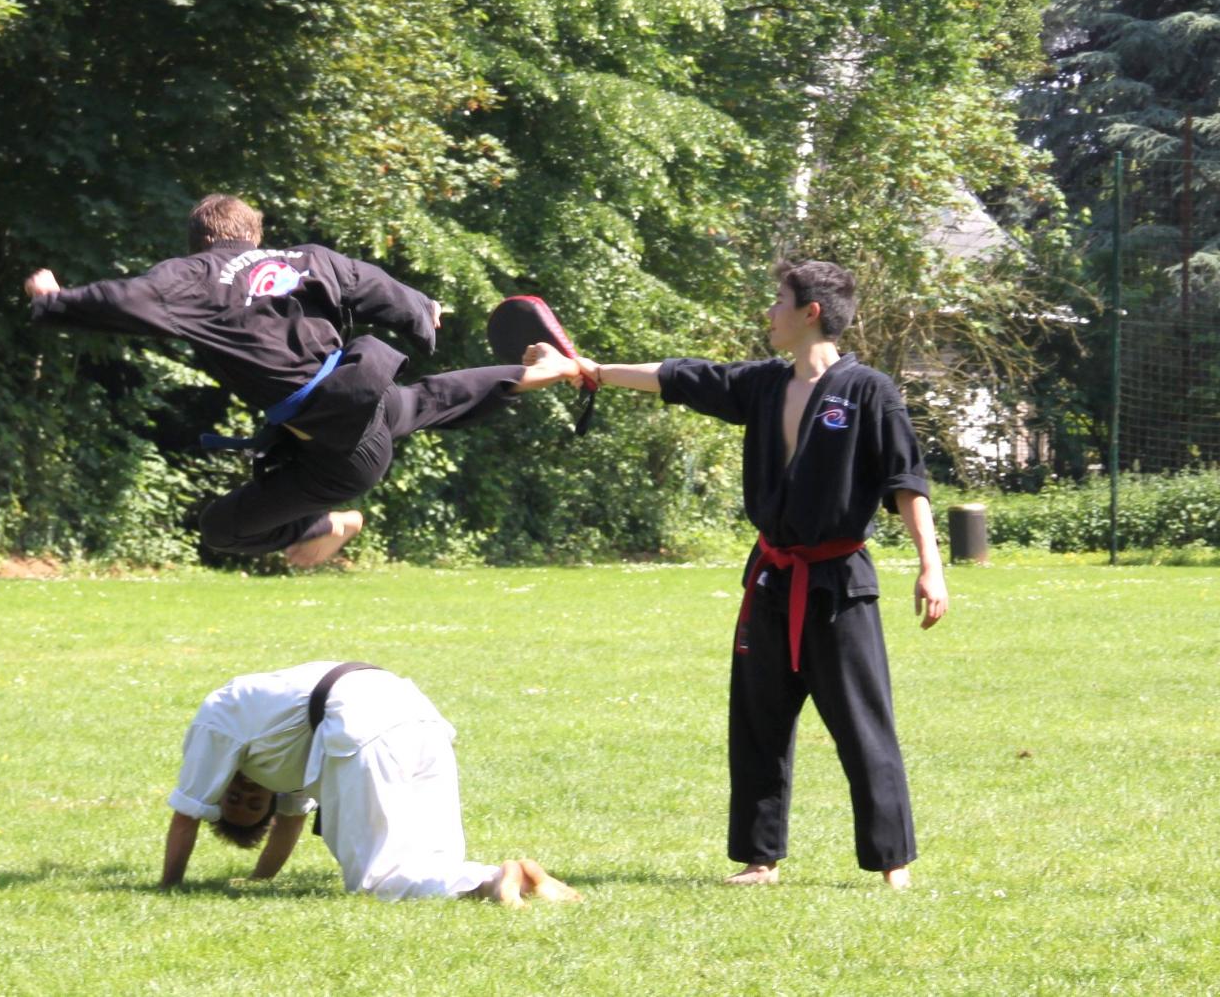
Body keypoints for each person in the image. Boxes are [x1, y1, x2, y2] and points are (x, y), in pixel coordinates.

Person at [530, 260, 948, 889]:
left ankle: (892, 863)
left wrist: (930, 567)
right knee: (757, 721)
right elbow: (678, 378)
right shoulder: (763, 385)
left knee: (863, 724)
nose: (770, 313)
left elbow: (905, 482)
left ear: (811, 312)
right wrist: (587, 369)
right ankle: (761, 859)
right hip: (772, 580)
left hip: (839, 584)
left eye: (779, 301)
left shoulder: (868, 391)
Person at [24, 194, 579, 566]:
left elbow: (123, 298)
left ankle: (326, 527)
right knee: (417, 402)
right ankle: (535, 374)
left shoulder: (192, 276)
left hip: (338, 449)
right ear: (257, 235)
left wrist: (54, 301)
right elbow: (376, 285)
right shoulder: (308, 258)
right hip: (363, 393)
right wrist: (420, 311)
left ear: (199, 241)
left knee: (221, 529)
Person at [158, 660, 581, 906]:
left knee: (375, 880)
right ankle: (520, 881)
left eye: (234, 796)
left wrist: (168, 888)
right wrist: (260, 881)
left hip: (365, 722)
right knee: (435, 860)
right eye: (251, 806)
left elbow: (187, 815)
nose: (247, 795)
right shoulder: (269, 749)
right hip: (414, 713)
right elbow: (289, 821)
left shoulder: (216, 720)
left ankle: (497, 878)